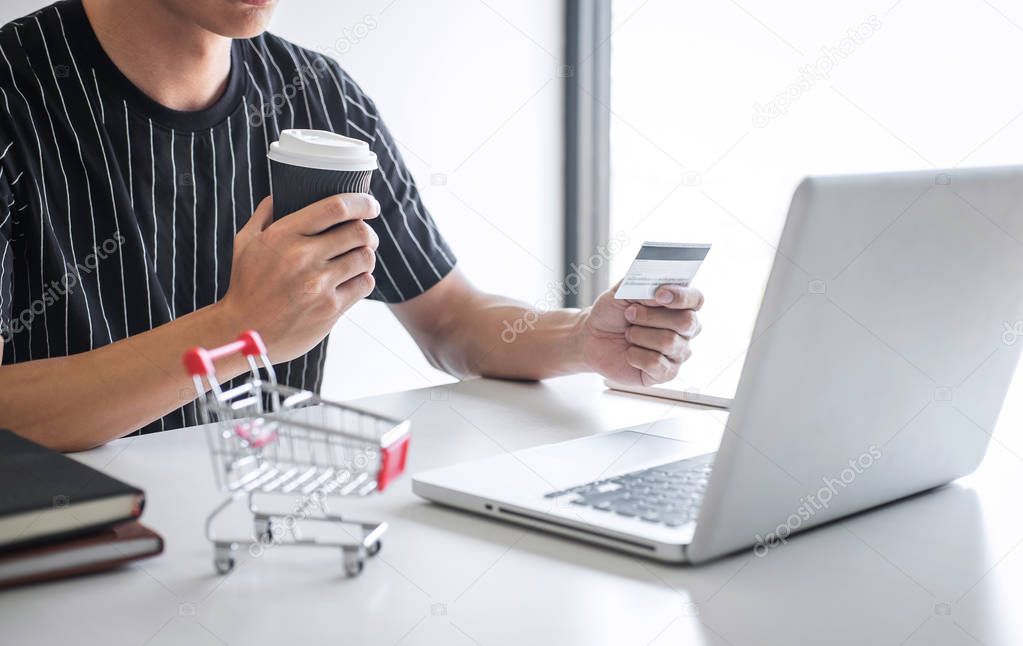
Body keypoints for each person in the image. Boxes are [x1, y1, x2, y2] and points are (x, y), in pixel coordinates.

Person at [0, 0, 704, 451]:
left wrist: (582, 338)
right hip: (71, 557)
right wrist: (235, 331)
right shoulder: (14, 96)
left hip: (265, 533)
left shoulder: (319, 97)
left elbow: (452, 320)